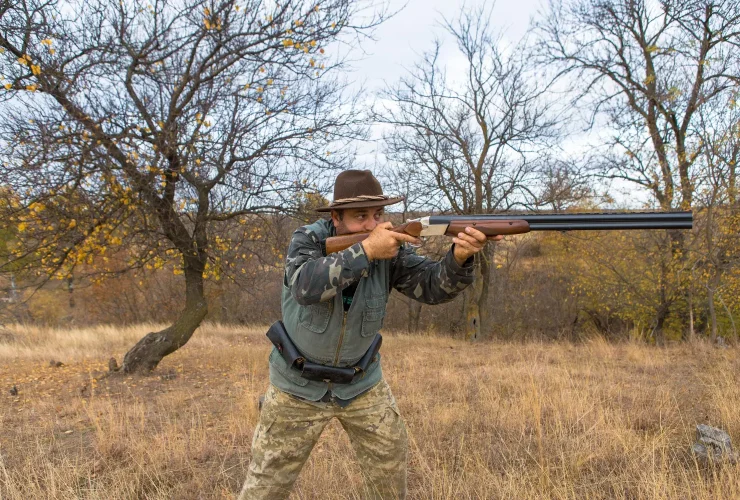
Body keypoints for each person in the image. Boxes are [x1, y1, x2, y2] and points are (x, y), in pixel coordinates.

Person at [239, 170, 493, 499]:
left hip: (362, 383)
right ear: (335, 217)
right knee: (264, 488)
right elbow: (304, 286)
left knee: (389, 476)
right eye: (361, 216)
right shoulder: (309, 239)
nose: (373, 225)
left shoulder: (391, 248)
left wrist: (459, 258)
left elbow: (432, 288)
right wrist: (366, 252)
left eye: (377, 215)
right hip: (296, 387)